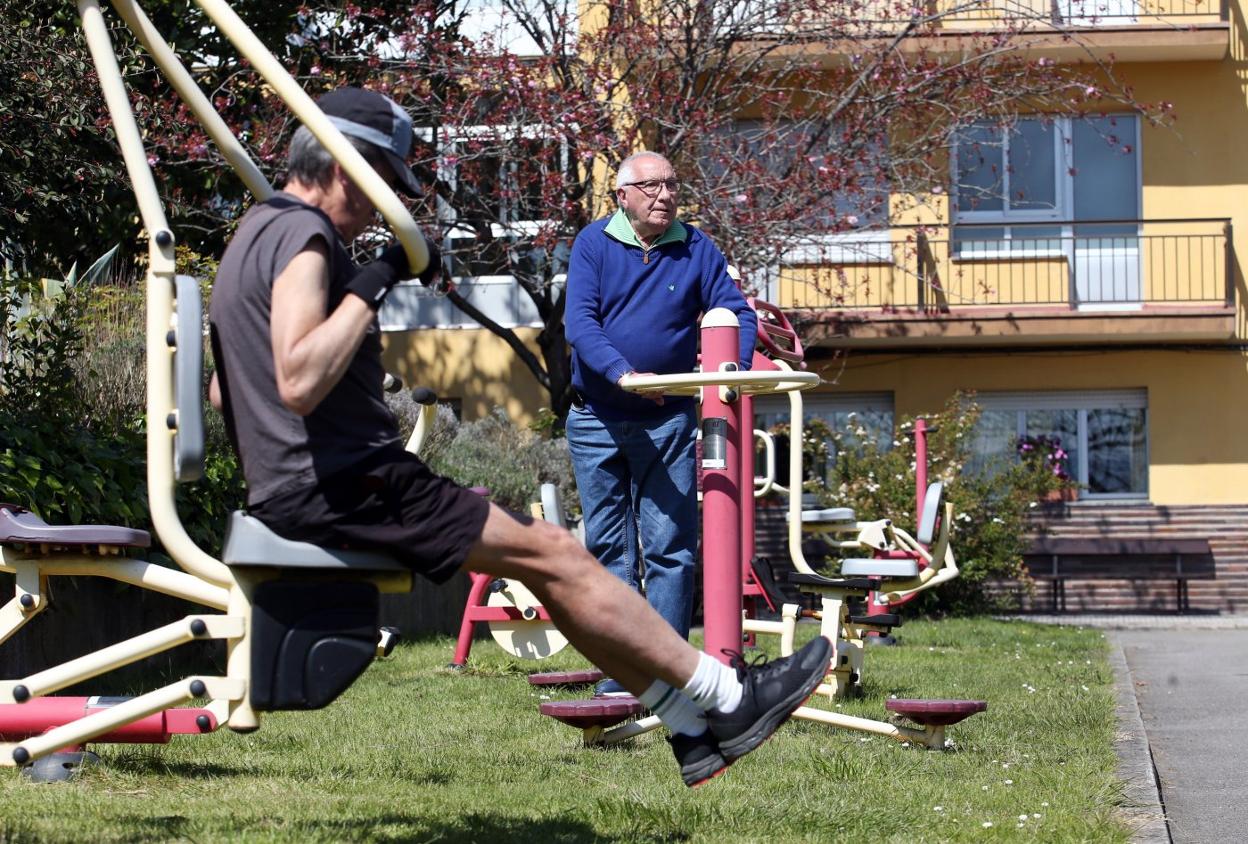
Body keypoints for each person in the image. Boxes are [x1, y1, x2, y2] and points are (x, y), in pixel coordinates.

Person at [208, 88, 828, 788]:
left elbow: (226, 390)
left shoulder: (254, 234)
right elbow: (296, 379)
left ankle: (688, 729)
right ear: (346, 166)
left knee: (547, 562)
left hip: (306, 483)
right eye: (386, 183)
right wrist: (380, 277)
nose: (388, 207)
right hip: (348, 482)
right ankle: (729, 697)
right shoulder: (307, 236)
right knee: (559, 551)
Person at [564, 151, 759, 697]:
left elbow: (738, 314)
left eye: (672, 184)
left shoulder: (696, 248)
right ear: (622, 195)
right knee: (609, 549)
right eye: (652, 186)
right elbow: (580, 323)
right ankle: (625, 669)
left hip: (666, 419)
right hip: (596, 418)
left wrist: (731, 374)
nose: (665, 195)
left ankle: (670, 673)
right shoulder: (594, 244)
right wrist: (623, 374)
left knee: (671, 548)